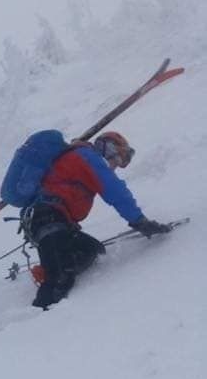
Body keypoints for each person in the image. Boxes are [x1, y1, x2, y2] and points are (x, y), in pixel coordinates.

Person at [22, 131, 172, 309]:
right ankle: (37, 323)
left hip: (54, 222)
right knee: (60, 280)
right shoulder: (88, 157)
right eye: (118, 158)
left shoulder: (81, 158)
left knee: (91, 250)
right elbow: (115, 191)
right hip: (49, 219)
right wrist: (140, 222)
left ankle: (48, 269)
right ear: (109, 148)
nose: (116, 165)